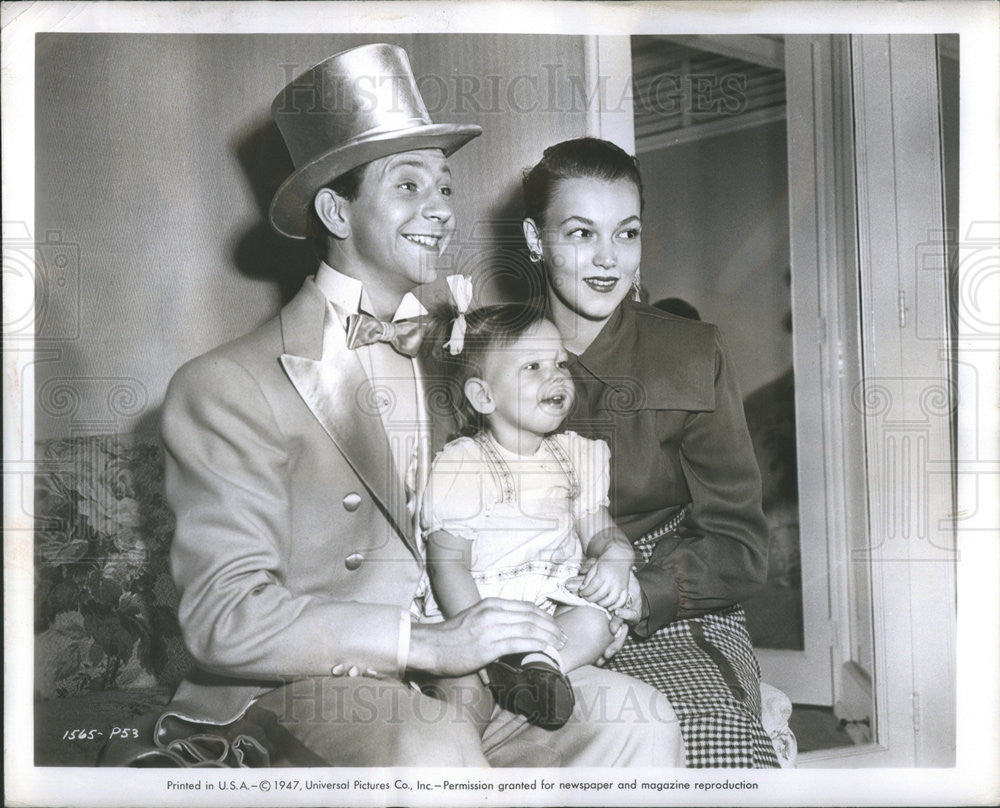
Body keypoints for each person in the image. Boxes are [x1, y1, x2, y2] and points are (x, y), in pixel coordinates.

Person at [152, 46, 681, 768]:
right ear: (337, 210)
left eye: (445, 187)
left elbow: (538, 504)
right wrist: (429, 643)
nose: (439, 210)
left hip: (476, 677)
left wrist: (582, 596)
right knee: (432, 745)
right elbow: (225, 618)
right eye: (409, 186)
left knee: (640, 720)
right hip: (313, 684)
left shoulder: (470, 357)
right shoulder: (225, 385)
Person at [521, 136, 779, 768]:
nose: (608, 259)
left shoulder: (692, 354)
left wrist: (640, 594)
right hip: (525, 615)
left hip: (664, 602)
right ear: (535, 240)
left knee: (713, 751)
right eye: (580, 234)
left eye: (627, 233)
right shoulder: (481, 352)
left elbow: (740, 544)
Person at [416, 302, 680, 755]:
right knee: (460, 702)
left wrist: (617, 558)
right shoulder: (464, 465)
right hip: (478, 609)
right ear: (484, 397)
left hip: (546, 612)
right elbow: (448, 566)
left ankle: (539, 670)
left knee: (596, 619)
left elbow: (602, 532)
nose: (556, 376)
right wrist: (478, 635)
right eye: (533, 367)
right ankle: (496, 687)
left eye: (559, 362)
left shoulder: (573, 457)